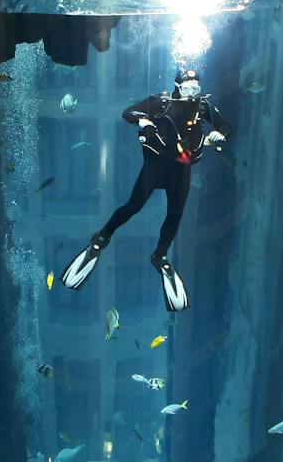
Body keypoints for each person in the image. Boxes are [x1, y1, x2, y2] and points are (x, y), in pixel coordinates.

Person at [61, 68, 232, 312]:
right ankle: (101, 238)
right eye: (187, 88)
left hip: (181, 168)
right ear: (177, 86)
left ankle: (160, 255)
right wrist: (145, 120)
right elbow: (128, 112)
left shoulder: (202, 107)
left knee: (175, 214)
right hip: (157, 165)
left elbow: (226, 125)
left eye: (196, 88)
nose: (192, 93)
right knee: (133, 206)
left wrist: (219, 134)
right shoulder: (161, 102)